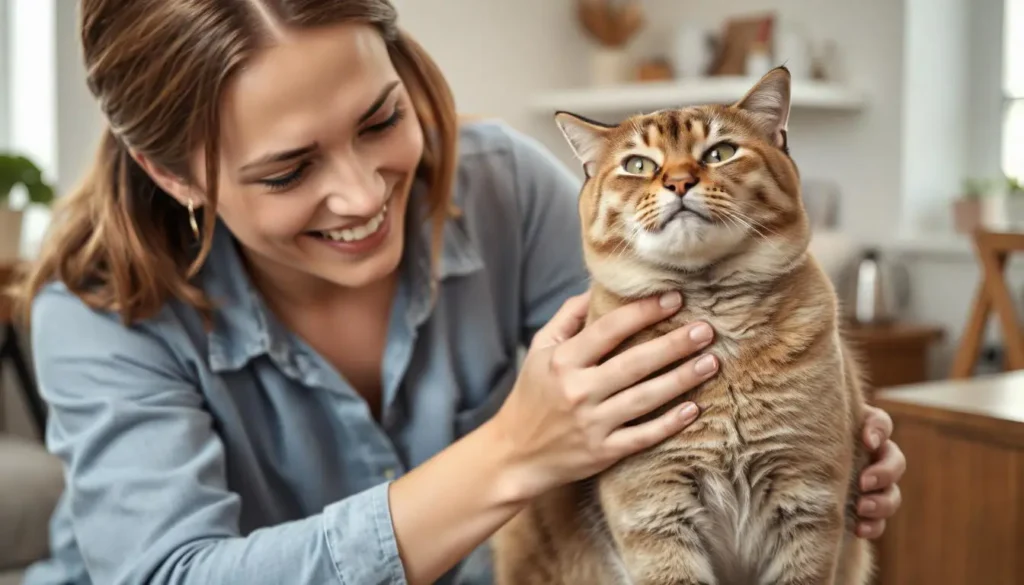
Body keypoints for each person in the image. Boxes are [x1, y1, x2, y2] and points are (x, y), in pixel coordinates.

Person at [11, 1, 906, 584]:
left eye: (381, 118)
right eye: (287, 170)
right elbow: (173, 572)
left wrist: (828, 434)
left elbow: (678, 373)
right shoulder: (94, 311)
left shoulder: (505, 188)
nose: (364, 196)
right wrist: (514, 450)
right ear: (173, 175)